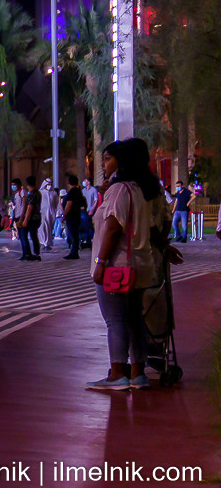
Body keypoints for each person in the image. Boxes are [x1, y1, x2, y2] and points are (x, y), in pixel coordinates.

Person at [89, 137, 180, 391]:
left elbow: (112, 228)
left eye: (108, 159)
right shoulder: (142, 189)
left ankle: (118, 373)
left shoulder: (120, 190)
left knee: (115, 320)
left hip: (117, 266)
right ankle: (138, 373)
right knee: (135, 318)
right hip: (141, 264)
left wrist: (100, 262)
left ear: (121, 161)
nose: (104, 164)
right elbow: (152, 227)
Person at [62, 175, 87, 259]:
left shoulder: (71, 192)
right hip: (77, 215)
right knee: (75, 234)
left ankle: (74, 252)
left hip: (71, 216)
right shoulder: (78, 192)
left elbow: (69, 204)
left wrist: (64, 215)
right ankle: (74, 251)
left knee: (72, 234)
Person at [19, 180, 42, 260]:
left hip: (31, 218)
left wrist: (25, 220)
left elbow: (29, 208)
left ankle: (27, 253)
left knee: (23, 234)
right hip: (37, 217)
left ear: (27, 185)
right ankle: (36, 252)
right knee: (34, 235)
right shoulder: (38, 193)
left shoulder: (31, 195)